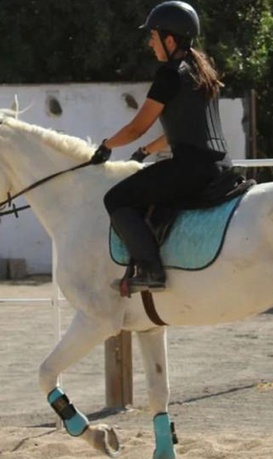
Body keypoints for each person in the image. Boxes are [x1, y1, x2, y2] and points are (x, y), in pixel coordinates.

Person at [90, 1, 233, 293]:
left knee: (116, 199)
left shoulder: (169, 75)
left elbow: (136, 127)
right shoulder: (200, 71)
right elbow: (179, 129)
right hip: (219, 166)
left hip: (190, 169)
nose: (149, 43)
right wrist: (145, 152)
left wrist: (106, 146)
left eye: (153, 37)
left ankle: (151, 270)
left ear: (170, 40)